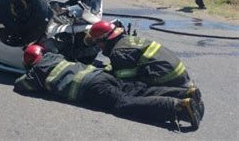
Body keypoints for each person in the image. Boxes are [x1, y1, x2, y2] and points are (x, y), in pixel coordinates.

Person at [14, 45, 202, 130]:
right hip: (101, 75)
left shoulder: (37, 71)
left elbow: (21, 86)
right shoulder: (55, 57)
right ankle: (185, 93)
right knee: (137, 90)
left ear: (31, 63)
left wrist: (27, 71)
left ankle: (176, 107)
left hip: (92, 88)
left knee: (122, 104)